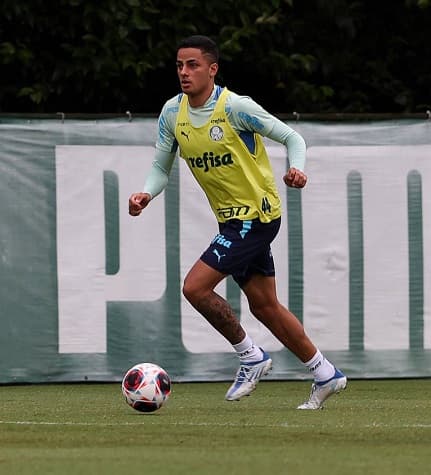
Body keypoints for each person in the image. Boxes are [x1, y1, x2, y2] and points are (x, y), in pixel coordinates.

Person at [128, 35, 346, 409]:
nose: (184, 72)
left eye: (193, 65)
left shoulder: (234, 108)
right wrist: (146, 193)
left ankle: (250, 356)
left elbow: (292, 136)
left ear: (212, 69)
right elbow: (160, 168)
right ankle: (325, 373)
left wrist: (296, 168)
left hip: (256, 216)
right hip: (232, 221)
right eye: (179, 65)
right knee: (265, 306)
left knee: (194, 288)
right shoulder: (172, 114)